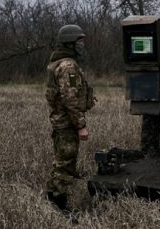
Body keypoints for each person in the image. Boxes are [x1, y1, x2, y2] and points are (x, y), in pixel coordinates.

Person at [45, 24, 96, 212]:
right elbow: (70, 99)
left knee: (60, 162)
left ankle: (50, 197)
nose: (82, 44)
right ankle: (59, 206)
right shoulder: (68, 66)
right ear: (70, 43)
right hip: (67, 124)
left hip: (60, 122)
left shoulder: (58, 63)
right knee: (65, 166)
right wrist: (81, 125)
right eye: (79, 41)